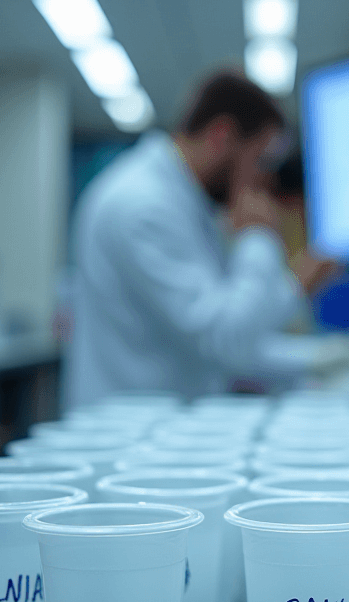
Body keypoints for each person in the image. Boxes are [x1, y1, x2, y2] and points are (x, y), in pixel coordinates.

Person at [66, 72, 334, 405]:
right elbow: (225, 342)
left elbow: (236, 329)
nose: (263, 180)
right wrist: (258, 237)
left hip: (159, 424)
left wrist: (318, 354)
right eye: (260, 160)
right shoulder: (143, 206)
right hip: (130, 433)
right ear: (221, 136)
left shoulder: (186, 203)